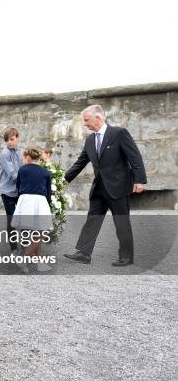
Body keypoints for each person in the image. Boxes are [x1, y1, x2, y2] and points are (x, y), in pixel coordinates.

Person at [63, 104, 147, 266]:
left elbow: (134, 157)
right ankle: (83, 253)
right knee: (92, 220)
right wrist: (61, 182)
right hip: (99, 189)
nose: (85, 124)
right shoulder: (89, 140)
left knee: (121, 222)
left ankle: (126, 256)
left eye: (87, 120)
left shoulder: (119, 134)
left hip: (118, 187)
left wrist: (139, 180)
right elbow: (79, 164)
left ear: (98, 118)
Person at [11, 147, 53, 272]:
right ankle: (24, 260)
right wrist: (48, 204)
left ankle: (39, 263)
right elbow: (48, 193)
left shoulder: (22, 170)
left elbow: (18, 186)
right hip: (39, 202)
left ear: (28, 158)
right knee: (40, 234)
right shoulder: (46, 173)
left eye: (23, 158)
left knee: (36, 235)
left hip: (25, 202)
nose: (22, 160)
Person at [0, 127, 22, 255]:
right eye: (7, 140)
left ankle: (25, 246)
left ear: (17, 138)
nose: (9, 142)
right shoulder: (5, 154)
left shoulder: (21, 152)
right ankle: (14, 249)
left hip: (19, 190)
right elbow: (13, 175)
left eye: (12, 139)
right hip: (7, 191)